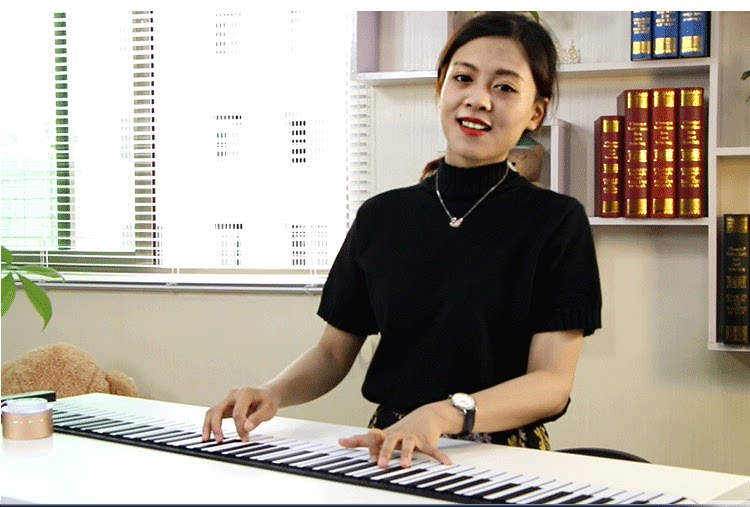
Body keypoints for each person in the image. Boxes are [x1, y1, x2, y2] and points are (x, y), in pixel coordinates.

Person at [203, 11, 602, 470]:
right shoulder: (381, 217)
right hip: (392, 448)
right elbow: (332, 353)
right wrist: (271, 393)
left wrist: (443, 414)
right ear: (441, 89)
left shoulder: (556, 222)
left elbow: (552, 383)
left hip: (505, 456)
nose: (478, 99)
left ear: (536, 111)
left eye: (504, 87)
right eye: (463, 78)